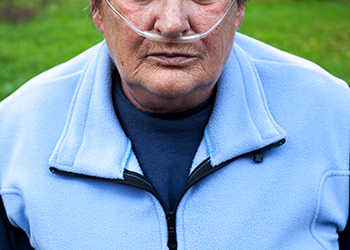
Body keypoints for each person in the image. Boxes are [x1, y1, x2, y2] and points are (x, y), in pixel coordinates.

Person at [0, 0, 349, 248]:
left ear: (239, 9)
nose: (171, 23)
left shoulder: (334, 117)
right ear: (98, 9)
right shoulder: (15, 133)